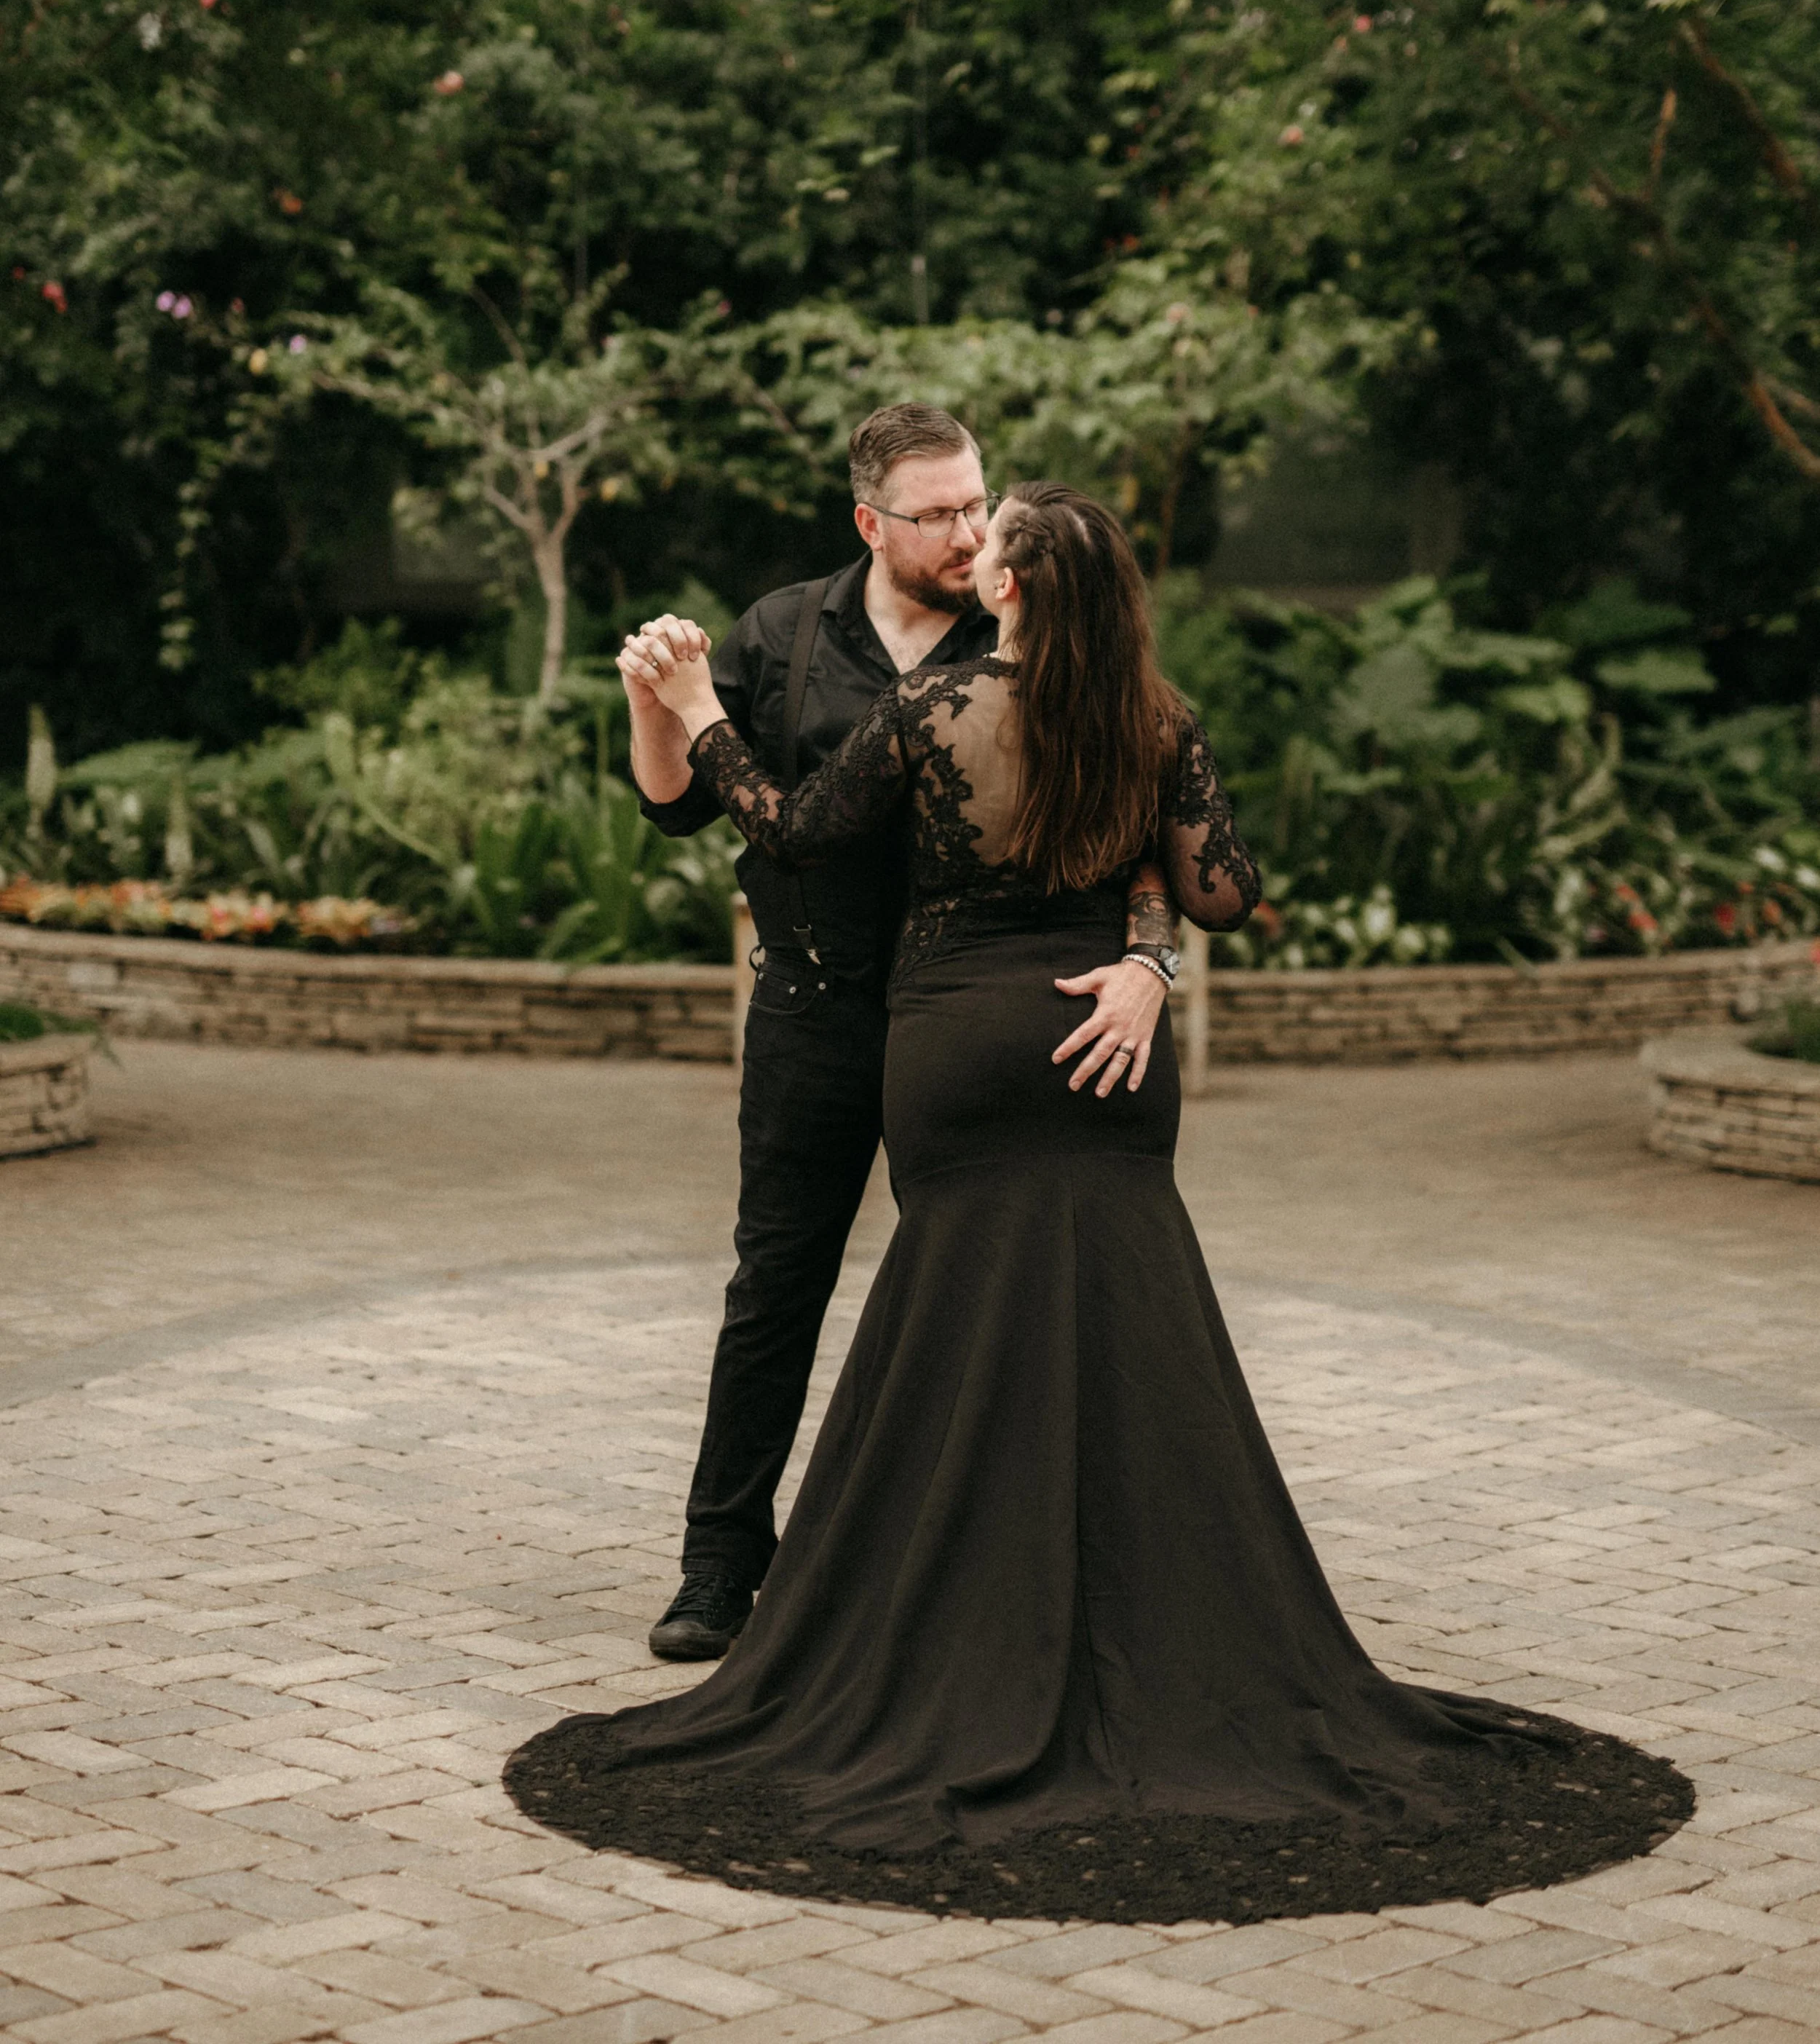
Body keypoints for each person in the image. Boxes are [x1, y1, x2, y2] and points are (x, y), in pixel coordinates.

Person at [547, 483, 1547, 1876]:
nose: (971, 546)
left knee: (954, 1312)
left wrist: (704, 713)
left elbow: (790, 828)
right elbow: (1223, 889)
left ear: (1011, 587)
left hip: (960, 1041)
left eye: (990, 533)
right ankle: (1150, 1606)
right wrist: (1151, 958)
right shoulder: (1152, 715)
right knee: (1129, 1321)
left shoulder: (931, 714)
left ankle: (949, 1606)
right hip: (1108, 1047)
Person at [621, 406, 1177, 1663]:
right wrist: (664, 700)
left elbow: (1146, 810)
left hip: (976, 1023)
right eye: (939, 513)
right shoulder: (780, 631)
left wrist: (1153, 960)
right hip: (818, 1008)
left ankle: (988, 1569)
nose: (971, 531)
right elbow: (675, 807)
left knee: (982, 1294)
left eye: (977, 503)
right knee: (777, 1285)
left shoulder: (1031, 615)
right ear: (870, 522)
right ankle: (720, 1565)